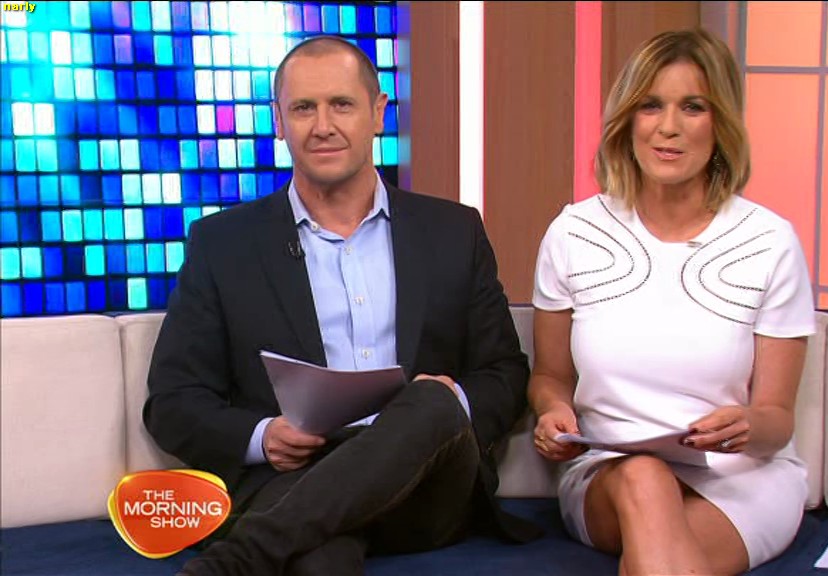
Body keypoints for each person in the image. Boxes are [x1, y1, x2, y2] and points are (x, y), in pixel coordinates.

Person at [144, 35, 538, 576]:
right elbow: (173, 402)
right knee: (318, 556)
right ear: (279, 121)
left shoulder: (453, 231)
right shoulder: (223, 244)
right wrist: (263, 437)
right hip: (297, 479)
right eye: (303, 108)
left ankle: (234, 562)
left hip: (426, 488)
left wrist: (450, 406)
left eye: (342, 104)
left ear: (377, 113)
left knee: (430, 400)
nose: (323, 125)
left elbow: (505, 373)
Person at [528, 28, 815, 576]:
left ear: (721, 122)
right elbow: (550, 377)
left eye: (693, 107)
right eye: (651, 106)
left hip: (740, 478)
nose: (669, 127)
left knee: (663, 553)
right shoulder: (575, 232)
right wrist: (552, 411)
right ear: (628, 120)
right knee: (645, 476)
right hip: (610, 472)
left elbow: (777, 420)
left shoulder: (769, 241)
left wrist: (748, 426)